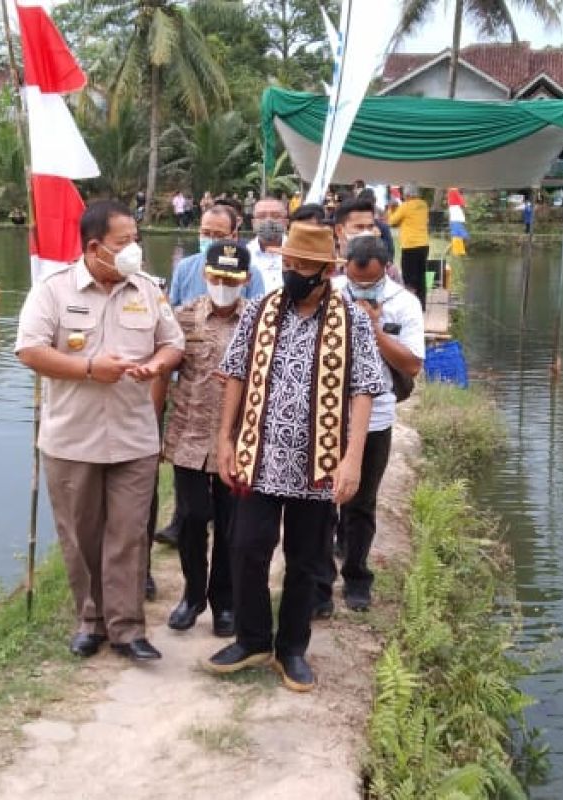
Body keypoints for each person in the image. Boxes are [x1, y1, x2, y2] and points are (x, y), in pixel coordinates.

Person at [207, 222, 386, 692]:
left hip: (317, 463)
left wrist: (352, 459)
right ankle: (253, 639)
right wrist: (224, 439)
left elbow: (365, 388)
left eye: (303, 266)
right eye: (288, 264)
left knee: (306, 559)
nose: (293, 272)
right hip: (258, 457)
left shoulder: (349, 320)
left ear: (326, 271)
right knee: (246, 548)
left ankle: (291, 648)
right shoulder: (261, 311)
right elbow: (235, 374)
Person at [15, 199, 185, 662]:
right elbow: (29, 351)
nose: (134, 249)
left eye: (136, 239)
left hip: (134, 437)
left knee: (129, 534)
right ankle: (90, 620)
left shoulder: (147, 289)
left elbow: (174, 343)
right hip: (72, 440)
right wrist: (89, 367)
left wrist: (155, 365)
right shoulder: (53, 291)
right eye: (123, 242)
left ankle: (128, 629)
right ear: (94, 247)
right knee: (82, 536)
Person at [319, 236, 424, 612]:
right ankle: (320, 582)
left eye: (370, 281)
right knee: (320, 501)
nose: (361, 287)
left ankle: (357, 577)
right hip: (326, 413)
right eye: (355, 278)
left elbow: (412, 364)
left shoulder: (405, 303)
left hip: (376, 418)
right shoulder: (327, 293)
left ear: (386, 271)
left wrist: (374, 329)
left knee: (361, 503)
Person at [155, 240, 251, 637]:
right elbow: (163, 368)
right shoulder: (182, 317)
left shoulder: (258, 322)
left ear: (244, 280)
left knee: (232, 525)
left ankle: (224, 602)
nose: (223, 284)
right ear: (206, 275)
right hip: (189, 436)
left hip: (238, 441)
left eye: (232, 278)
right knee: (193, 518)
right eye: (217, 276)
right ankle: (193, 594)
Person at [167, 205, 265, 307]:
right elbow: (172, 309)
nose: (212, 239)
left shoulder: (250, 273)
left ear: (234, 236)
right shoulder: (185, 267)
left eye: (219, 235)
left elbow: (258, 313)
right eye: (206, 233)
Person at [386, 182, 429, 310]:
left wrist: (391, 209)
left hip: (410, 245)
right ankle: (422, 305)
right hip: (424, 245)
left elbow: (392, 221)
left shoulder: (405, 206)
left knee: (409, 276)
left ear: (407, 194)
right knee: (421, 275)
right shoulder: (424, 205)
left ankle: (411, 306)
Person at [247, 196, 288, 293]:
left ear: (286, 222)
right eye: (261, 216)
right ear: (253, 223)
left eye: (275, 216)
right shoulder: (244, 255)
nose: (268, 220)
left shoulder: (299, 253)